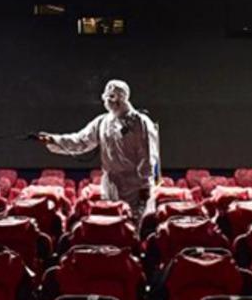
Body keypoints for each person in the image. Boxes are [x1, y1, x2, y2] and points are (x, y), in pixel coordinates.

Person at [37, 79, 160, 220]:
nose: (105, 100)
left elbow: (149, 157)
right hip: (110, 184)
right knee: (112, 224)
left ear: (119, 98)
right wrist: (53, 140)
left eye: (109, 96)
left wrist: (145, 188)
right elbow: (81, 141)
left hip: (134, 188)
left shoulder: (140, 123)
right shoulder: (103, 122)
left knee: (134, 224)